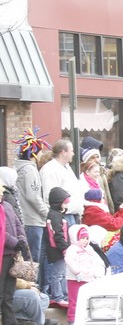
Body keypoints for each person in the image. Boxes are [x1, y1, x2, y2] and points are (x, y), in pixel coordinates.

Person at [13, 129, 51, 291]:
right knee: (33, 259)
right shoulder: (30, 170)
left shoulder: (18, 169)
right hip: (33, 220)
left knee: (32, 258)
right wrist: (46, 212)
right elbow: (33, 196)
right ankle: (34, 291)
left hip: (26, 219)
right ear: (33, 153)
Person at [64, 224, 107, 324]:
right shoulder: (72, 249)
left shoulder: (89, 249)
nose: (85, 240)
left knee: (87, 298)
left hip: (88, 278)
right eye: (82, 238)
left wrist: (95, 273)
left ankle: (86, 316)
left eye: (87, 238)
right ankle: (72, 318)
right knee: (75, 298)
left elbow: (94, 262)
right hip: (75, 278)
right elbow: (70, 261)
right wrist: (77, 272)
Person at [1, 178, 28, 325]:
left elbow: (18, 224)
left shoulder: (8, 206)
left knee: (9, 292)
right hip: (3, 253)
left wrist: (22, 240)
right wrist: (14, 242)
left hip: (11, 254)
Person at [39, 139, 84, 225]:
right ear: (63, 152)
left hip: (73, 214)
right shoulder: (50, 169)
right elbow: (49, 195)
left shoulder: (67, 167)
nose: (73, 154)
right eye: (71, 151)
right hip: (63, 216)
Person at [43, 186, 72, 309]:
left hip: (59, 249)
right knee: (57, 274)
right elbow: (58, 235)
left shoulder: (56, 215)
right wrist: (65, 249)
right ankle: (58, 296)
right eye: (64, 203)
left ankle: (64, 295)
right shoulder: (55, 216)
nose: (66, 206)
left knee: (62, 273)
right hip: (58, 250)